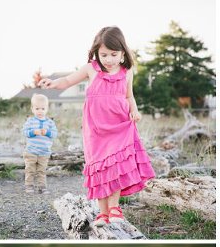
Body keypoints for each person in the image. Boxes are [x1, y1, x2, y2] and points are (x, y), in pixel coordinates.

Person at [39, 26, 154, 227]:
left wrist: (134, 110)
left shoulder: (127, 72)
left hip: (119, 125)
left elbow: (129, 96)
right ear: (96, 52)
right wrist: (53, 83)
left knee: (116, 165)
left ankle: (115, 208)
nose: (108, 59)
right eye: (104, 55)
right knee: (100, 167)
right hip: (96, 129)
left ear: (122, 53)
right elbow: (67, 80)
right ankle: (102, 213)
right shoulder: (91, 69)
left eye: (113, 54)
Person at [22, 94, 57, 194]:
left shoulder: (50, 123)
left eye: (43, 108)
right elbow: (24, 132)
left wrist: (47, 132)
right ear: (32, 109)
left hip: (44, 152)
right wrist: (33, 132)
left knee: (42, 171)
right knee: (30, 169)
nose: (40, 111)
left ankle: (42, 187)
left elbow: (54, 134)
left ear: (47, 109)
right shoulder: (30, 121)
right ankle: (29, 186)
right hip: (31, 151)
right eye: (37, 108)